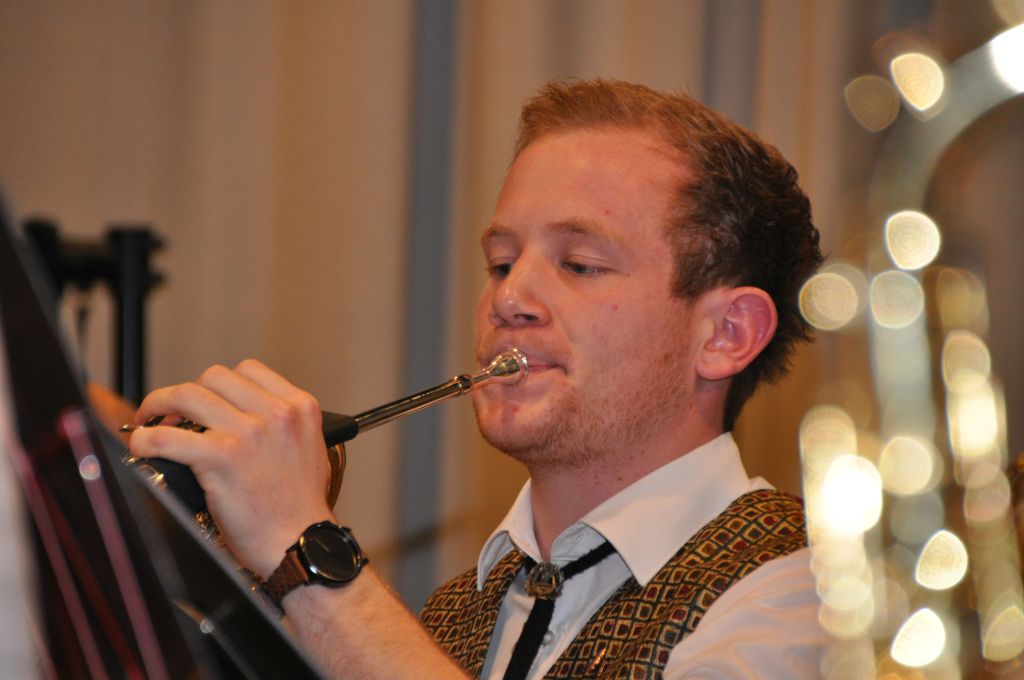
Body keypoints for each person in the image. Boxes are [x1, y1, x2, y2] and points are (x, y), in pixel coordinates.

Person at [129, 79, 826, 679]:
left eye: (579, 264)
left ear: (726, 334)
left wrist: (300, 544)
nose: (508, 298)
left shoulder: (814, 599)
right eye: (501, 263)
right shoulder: (451, 617)